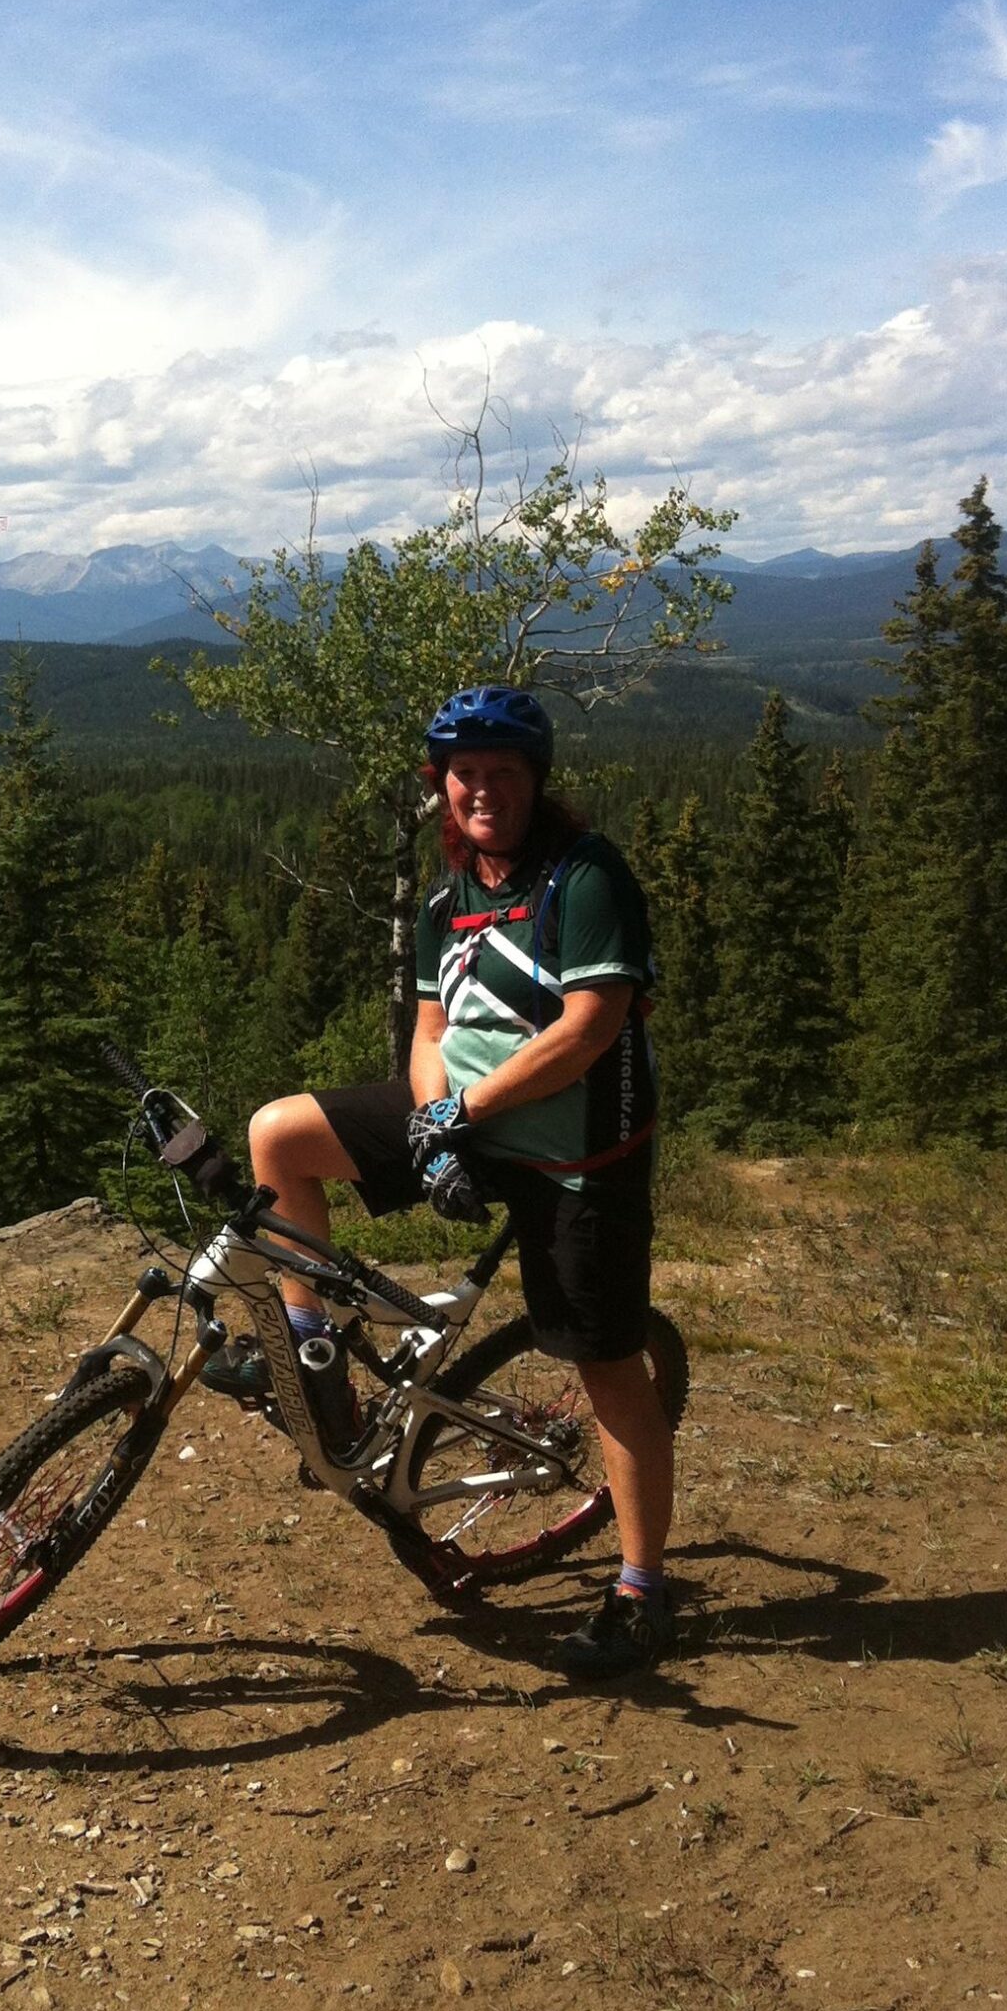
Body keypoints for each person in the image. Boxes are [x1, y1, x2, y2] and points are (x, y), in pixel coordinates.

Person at [222, 684, 671, 1681]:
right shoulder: (445, 901)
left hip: (578, 1153)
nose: (481, 789)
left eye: (502, 771)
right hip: (464, 1117)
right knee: (278, 1138)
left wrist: (455, 1118)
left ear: (534, 781)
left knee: (607, 1367)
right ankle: (318, 1365)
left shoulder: (586, 878)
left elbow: (588, 1029)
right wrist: (431, 1124)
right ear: (441, 786)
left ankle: (640, 1590)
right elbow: (431, 1034)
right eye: (464, 773)